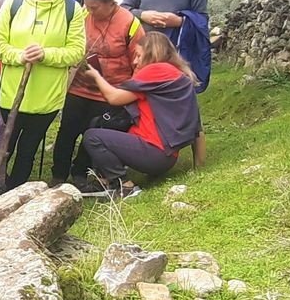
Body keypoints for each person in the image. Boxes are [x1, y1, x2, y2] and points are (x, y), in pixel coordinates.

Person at [0, 0, 85, 191]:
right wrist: (20, 56)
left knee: (27, 152)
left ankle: (13, 193)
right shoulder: (13, 3)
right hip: (11, 96)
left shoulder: (72, 9)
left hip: (46, 99)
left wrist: (46, 54)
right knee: (3, 149)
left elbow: (76, 51)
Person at [121, 0, 211, 161]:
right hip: (143, 55)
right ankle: (141, 151)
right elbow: (125, 9)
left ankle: (199, 166)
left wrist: (179, 21)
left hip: (175, 59)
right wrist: (145, 15)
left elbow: (202, 20)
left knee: (188, 108)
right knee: (136, 105)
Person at [79, 31, 200, 199]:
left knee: (92, 137)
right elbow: (198, 130)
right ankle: (105, 181)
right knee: (104, 122)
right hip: (167, 156)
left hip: (153, 152)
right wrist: (199, 167)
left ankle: (125, 186)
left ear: (152, 54)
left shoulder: (155, 69)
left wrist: (96, 77)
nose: (135, 61)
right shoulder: (176, 74)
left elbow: (114, 98)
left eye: (138, 56)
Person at [52, 0, 142, 187]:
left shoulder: (129, 23)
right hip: (79, 88)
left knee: (92, 133)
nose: (90, 11)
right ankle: (58, 175)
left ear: (111, 3)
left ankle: (81, 174)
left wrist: (130, 92)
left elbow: (139, 60)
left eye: (95, 7)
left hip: (109, 91)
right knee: (67, 131)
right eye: (87, 5)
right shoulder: (82, 15)